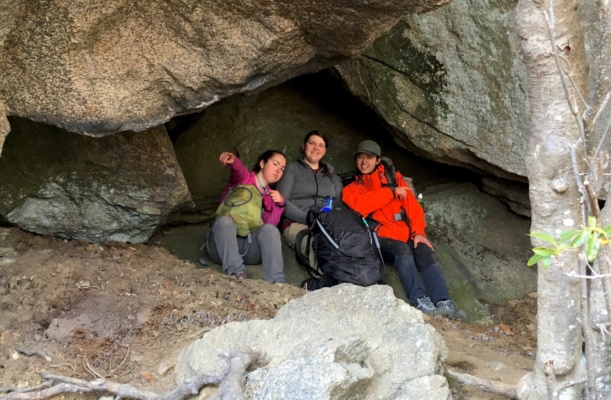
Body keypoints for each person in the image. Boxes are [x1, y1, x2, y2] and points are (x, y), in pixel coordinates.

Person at [342, 140, 466, 320]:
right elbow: (360, 207)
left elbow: (413, 208)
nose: (364, 162)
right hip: (379, 237)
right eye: (360, 157)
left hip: (404, 233)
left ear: (377, 160)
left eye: (369, 157)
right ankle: (420, 301)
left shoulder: (394, 178)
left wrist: (418, 233)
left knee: (425, 250)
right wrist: (390, 193)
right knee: (402, 251)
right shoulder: (352, 188)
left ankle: (444, 302)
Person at [205, 150, 287, 283]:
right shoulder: (244, 179)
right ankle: (236, 273)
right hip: (221, 248)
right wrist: (234, 161)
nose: (278, 170)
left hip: (249, 249)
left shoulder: (271, 196)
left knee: (271, 230)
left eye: (282, 168)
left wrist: (279, 205)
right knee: (224, 222)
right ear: (262, 163)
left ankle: (277, 282)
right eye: (275, 164)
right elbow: (239, 170)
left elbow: (268, 229)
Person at [276, 130, 344, 250]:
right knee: (320, 248)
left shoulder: (332, 176)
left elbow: (339, 205)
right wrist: (309, 219)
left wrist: (329, 223)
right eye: (312, 143)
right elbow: (282, 202)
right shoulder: (292, 169)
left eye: (321, 145)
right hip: (297, 223)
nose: (316, 148)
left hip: (327, 225)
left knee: (346, 246)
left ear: (324, 151)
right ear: (304, 146)